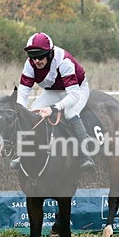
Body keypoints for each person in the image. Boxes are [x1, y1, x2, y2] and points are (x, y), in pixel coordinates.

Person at [12, 32, 95, 171]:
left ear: (49, 54)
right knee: (33, 111)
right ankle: (23, 152)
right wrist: (21, 110)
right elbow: (23, 92)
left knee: (70, 112)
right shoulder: (30, 64)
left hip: (77, 90)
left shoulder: (63, 61)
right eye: (33, 57)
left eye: (40, 56)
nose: (36, 61)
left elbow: (73, 95)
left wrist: (54, 108)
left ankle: (86, 155)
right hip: (52, 91)